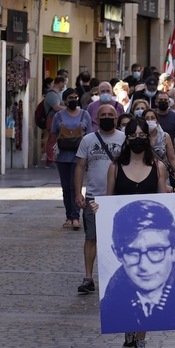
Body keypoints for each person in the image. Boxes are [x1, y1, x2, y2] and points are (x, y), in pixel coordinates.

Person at [104, 118, 170, 348]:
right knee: (126, 289)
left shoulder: (158, 167)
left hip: (149, 242)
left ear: (149, 137)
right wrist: (98, 208)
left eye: (143, 134)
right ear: (127, 138)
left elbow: (165, 201)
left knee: (146, 290)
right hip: (125, 241)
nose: (138, 138)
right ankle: (129, 330)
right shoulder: (115, 167)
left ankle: (141, 340)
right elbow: (109, 199)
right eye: (133, 134)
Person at [100, 200, 175, 333]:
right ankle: (131, 337)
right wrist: (98, 209)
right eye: (132, 252)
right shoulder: (108, 305)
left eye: (156, 251)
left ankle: (139, 340)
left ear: (174, 250)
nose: (144, 265)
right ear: (118, 253)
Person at [74, 104, 125, 295]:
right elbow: (80, 167)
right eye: (102, 114)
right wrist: (78, 193)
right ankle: (88, 277)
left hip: (118, 197)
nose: (106, 117)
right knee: (91, 238)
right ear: (95, 118)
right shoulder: (87, 140)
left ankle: (115, 275)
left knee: (118, 239)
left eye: (110, 115)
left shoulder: (124, 139)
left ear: (116, 117)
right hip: (93, 197)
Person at [52, 88, 92, 230]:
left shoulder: (84, 114)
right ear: (65, 100)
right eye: (70, 98)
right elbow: (54, 134)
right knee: (65, 188)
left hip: (79, 157)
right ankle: (69, 216)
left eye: (75, 97)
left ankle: (76, 217)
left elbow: (89, 135)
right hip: (62, 157)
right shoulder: (58, 116)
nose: (73, 100)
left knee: (75, 187)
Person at [142, 109, 175, 191]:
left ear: (157, 121)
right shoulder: (140, 137)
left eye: (152, 118)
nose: (150, 120)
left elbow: (172, 158)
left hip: (163, 176)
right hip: (144, 176)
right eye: (147, 118)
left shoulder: (165, 136)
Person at [44, 76, 67, 168]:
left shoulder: (56, 94)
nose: (64, 85)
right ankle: (50, 160)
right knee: (52, 139)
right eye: (64, 83)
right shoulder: (52, 94)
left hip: (56, 119)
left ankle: (53, 158)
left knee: (55, 139)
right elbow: (56, 107)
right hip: (52, 118)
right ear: (60, 83)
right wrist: (68, 109)